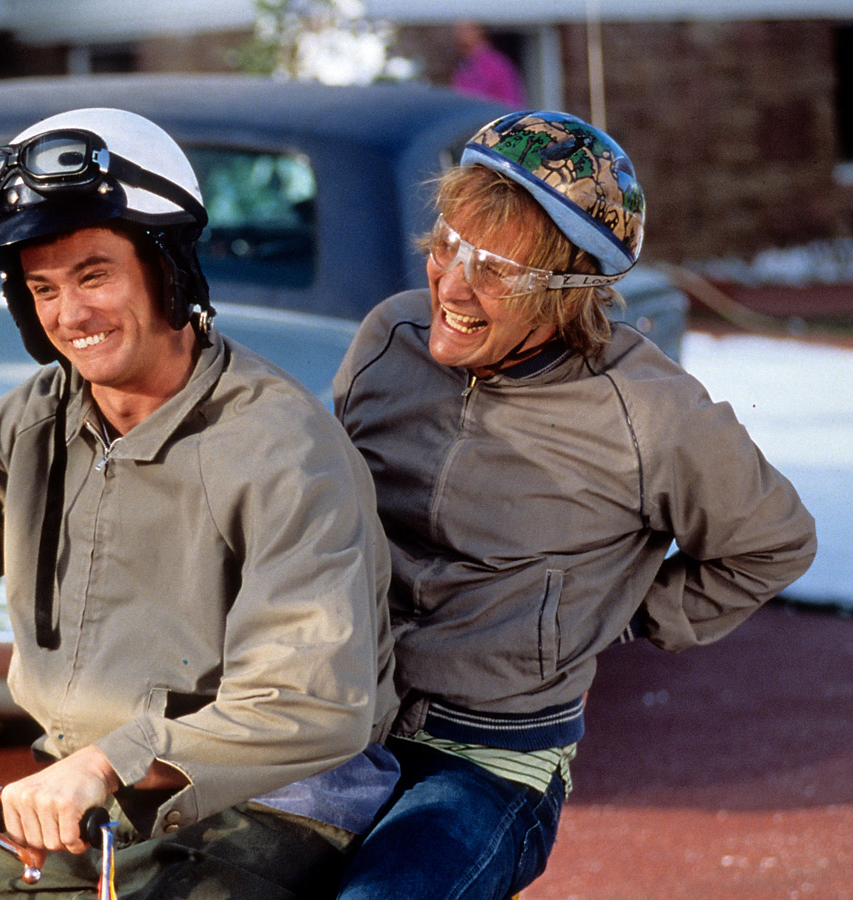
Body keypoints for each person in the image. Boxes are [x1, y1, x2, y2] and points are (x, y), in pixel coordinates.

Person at [0, 107, 400, 899]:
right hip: (88, 795)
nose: (69, 315)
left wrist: (104, 763)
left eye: (94, 275)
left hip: (273, 804)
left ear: (168, 268)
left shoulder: (282, 448)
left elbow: (306, 702)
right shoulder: (33, 421)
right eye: (42, 287)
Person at [331, 110, 817, 900]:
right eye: (449, 241)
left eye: (494, 268)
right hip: (344, 719)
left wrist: (624, 614)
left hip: (486, 762)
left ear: (568, 293)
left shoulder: (649, 414)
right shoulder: (390, 336)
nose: (452, 283)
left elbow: (774, 542)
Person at [450, 22, 527, 107]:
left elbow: (511, 102)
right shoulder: (466, 64)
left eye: (463, 30)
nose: (457, 34)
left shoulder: (495, 64)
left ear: (479, 31)